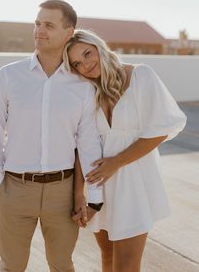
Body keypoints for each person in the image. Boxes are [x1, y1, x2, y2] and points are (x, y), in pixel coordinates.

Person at [0, 0, 103, 272]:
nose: (39, 30)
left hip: (62, 193)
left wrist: (93, 196)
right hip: (14, 189)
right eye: (37, 23)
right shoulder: (7, 76)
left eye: (49, 25)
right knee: (11, 266)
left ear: (69, 32)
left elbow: (88, 144)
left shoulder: (82, 86)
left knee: (62, 265)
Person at [63, 29, 187, 272]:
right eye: (77, 63)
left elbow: (160, 129)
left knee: (127, 265)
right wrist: (80, 193)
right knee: (107, 257)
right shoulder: (87, 91)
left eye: (88, 54)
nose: (86, 65)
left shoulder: (141, 75)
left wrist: (116, 162)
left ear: (100, 47)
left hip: (133, 183)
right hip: (99, 188)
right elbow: (81, 146)